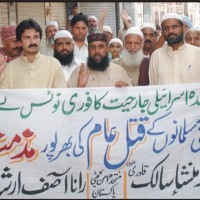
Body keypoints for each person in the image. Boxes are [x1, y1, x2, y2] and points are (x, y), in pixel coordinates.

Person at [0, 18, 66, 88]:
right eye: (27, 38)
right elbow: (3, 95)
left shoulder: (54, 65)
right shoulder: (10, 68)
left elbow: (62, 95)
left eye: (36, 37)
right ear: (19, 42)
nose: (33, 42)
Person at [149, 13, 200, 85]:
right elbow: (153, 87)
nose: (170, 31)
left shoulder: (197, 53)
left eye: (174, 27)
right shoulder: (156, 56)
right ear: (162, 32)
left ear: (183, 28)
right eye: (166, 28)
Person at [67, 33, 132, 88]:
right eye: (93, 47)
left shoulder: (119, 71)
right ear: (88, 49)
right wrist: (80, 87)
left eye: (101, 47)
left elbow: (132, 97)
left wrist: (125, 90)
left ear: (107, 49)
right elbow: (67, 99)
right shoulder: (78, 72)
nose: (97, 51)